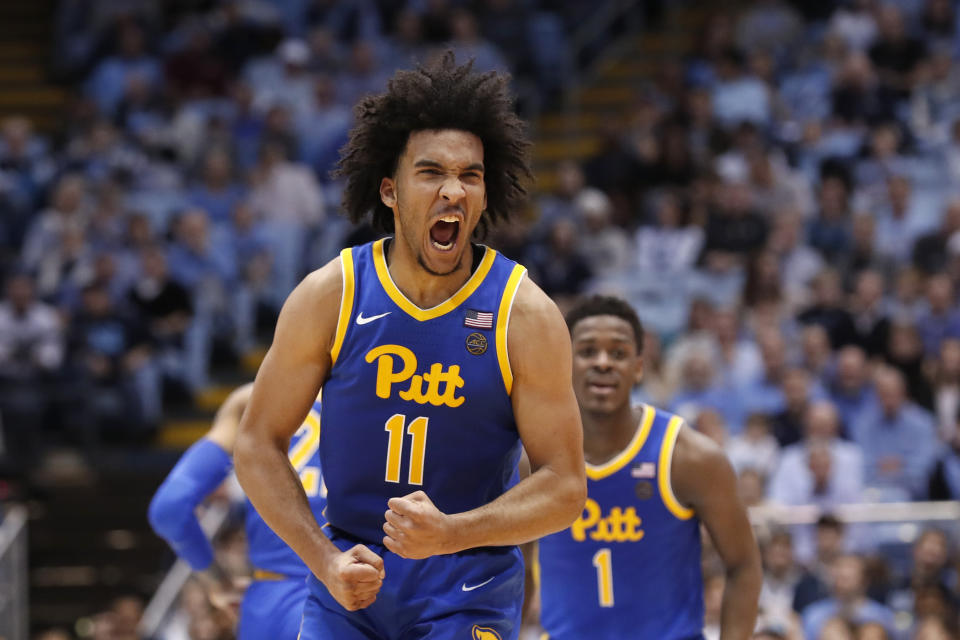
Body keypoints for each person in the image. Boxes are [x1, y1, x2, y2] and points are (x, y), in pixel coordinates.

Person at [234, 53, 586, 640]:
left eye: (470, 175)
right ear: (391, 191)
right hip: (350, 580)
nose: (453, 190)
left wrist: (452, 532)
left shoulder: (524, 315)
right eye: (432, 173)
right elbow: (256, 444)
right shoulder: (331, 295)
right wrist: (323, 561)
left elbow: (565, 487)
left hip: (468, 583)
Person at [536, 295, 762, 639]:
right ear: (565, 360)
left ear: (639, 366)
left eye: (618, 353)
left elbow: (743, 565)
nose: (603, 363)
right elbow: (510, 569)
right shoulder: (534, 459)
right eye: (587, 351)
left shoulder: (690, 458)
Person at [148, 384, 324, 638]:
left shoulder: (249, 400)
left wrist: (218, 584)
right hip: (353, 603)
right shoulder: (387, 400)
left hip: (267, 607)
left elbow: (170, 508)